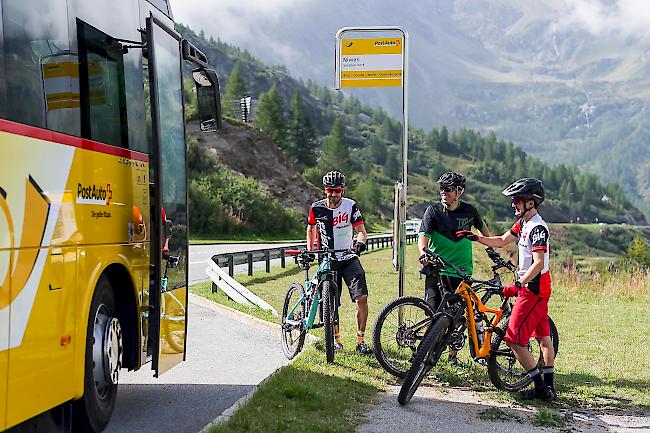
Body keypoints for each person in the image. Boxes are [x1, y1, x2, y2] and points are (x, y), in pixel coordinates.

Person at [457, 178, 556, 401]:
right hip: (537, 287)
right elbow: (502, 241)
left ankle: (541, 389)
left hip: (533, 288)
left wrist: (519, 284)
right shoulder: (523, 224)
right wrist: (476, 237)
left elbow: (538, 262)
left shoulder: (538, 228)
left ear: (531, 202)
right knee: (542, 337)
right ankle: (549, 389)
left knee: (513, 340)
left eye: (517, 200)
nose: (513, 204)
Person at [418, 171, 490, 363]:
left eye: (448, 189)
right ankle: (427, 354)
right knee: (433, 312)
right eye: (442, 189)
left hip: (461, 272)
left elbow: (484, 231)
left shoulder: (470, 211)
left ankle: (452, 356)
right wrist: (423, 252)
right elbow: (423, 235)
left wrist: (491, 248)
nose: (444, 192)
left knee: (459, 316)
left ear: (459, 191)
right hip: (437, 270)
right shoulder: (433, 211)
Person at [307, 170, 373, 355]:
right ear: (325, 190)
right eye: (330, 190)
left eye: (337, 190)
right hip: (328, 258)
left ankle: (360, 340)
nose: (334, 194)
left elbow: (360, 230)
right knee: (330, 302)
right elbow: (311, 228)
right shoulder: (316, 208)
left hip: (348, 257)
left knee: (362, 297)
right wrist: (312, 249)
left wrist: (360, 242)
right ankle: (337, 340)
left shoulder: (350, 206)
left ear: (342, 190)